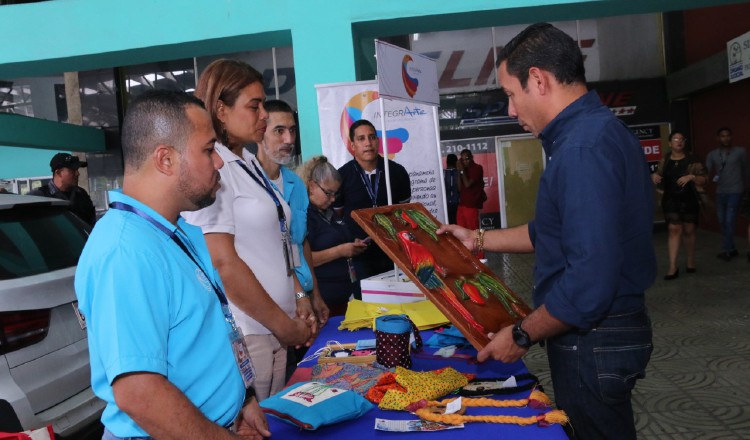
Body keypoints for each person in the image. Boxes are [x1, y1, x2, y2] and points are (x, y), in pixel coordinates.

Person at [438, 23, 656, 440]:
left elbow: (589, 280)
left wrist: (520, 335)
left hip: (594, 337)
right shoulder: (593, 133)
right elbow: (549, 232)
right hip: (604, 332)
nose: (511, 110)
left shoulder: (581, 149)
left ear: (538, 80)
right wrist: (476, 239)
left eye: (511, 94)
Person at [75, 90, 270, 439]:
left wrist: (243, 398)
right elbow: (140, 393)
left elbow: (209, 332)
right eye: (208, 150)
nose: (220, 162)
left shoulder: (174, 231)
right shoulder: (126, 252)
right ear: (165, 159)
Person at [183, 59, 315, 401]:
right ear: (221, 110)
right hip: (250, 331)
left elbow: (280, 244)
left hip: (274, 327)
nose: (264, 116)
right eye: (254, 107)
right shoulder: (217, 168)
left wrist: (299, 297)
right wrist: (284, 326)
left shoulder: (250, 162)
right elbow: (222, 264)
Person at [256, 99, 329, 326]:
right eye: (279, 131)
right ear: (260, 132)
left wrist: (314, 294)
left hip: (303, 297)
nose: (288, 139)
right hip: (268, 301)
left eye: (292, 131)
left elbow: (301, 242)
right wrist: (300, 296)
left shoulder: (296, 184)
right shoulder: (249, 183)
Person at [333, 119, 411, 278]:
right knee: (365, 300)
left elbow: (404, 210)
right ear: (353, 146)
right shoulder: (341, 176)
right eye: (361, 139)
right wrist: (350, 238)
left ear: (378, 141)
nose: (368, 143)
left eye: (372, 137)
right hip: (360, 253)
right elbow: (338, 215)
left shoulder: (397, 172)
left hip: (394, 251)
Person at [300, 156, 369, 316]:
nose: (332, 200)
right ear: (311, 186)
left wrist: (353, 244)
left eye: (335, 195)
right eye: (328, 193)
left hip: (345, 297)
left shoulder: (328, 213)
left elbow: (339, 239)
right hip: (323, 301)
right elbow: (303, 260)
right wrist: (340, 251)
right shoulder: (304, 215)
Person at [651, 131, 707, 279]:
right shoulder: (666, 159)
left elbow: (704, 179)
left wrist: (692, 176)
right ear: (670, 143)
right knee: (674, 229)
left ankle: (690, 260)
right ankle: (672, 266)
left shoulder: (693, 159)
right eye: (675, 139)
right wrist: (655, 176)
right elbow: (658, 175)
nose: (679, 141)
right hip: (671, 199)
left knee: (689, 230)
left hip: (689, 199)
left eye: (682, 139)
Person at [705, 127, 748, 261]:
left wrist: (748, 189)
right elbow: (705, 172)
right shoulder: (712, 154)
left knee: (729, 220)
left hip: (736, 190)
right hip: (720, 192)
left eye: (728, 135)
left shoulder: (740, 152)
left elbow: (746, 170)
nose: (725, 138)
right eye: (722, 136)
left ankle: (727, 250)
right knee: (722, 221)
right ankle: (732, 248)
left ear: (731, 137)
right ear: (718, 138)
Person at [29, 152, 96, 226]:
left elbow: (92, 222)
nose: (77, 173)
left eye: (77, 170)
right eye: (73, 170)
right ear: (59, 173)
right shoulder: (38, 196)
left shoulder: (81, 193)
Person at [456, 149, 484, 231]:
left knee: (473, 232)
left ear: (472, 157)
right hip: (461, 205)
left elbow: (467, 184)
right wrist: (459, 171)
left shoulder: (477, 168)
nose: (465, 162)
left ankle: (478, 244)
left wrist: (462, 170)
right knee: (461, 231)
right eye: (463, 160)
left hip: (471, 206)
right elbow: (459, 188)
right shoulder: (462, 170)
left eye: (467, 159)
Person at [443, 153, 460, 224]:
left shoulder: (442, 173)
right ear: (456, 162)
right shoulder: (460, 173)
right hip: (457, 203)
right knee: (457, 223)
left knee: (447, 223)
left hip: (445, 203)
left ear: (446, 162)